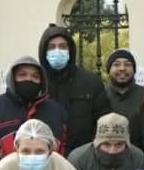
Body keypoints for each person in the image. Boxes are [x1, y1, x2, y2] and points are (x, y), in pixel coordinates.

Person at [37, 24, 111, 152]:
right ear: (43, 52)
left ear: (71, 50)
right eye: (51, 47)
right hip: (42, 155)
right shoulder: (37, 82)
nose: (57, 51)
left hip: (83, 155)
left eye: (63, 46)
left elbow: (103, 122)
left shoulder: (91, 82)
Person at [104, 48, 144, 145]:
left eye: (127, 64)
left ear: (134, 70)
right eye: (116, 64)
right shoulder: (101, 95)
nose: (122, 68)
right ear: (108, 70)